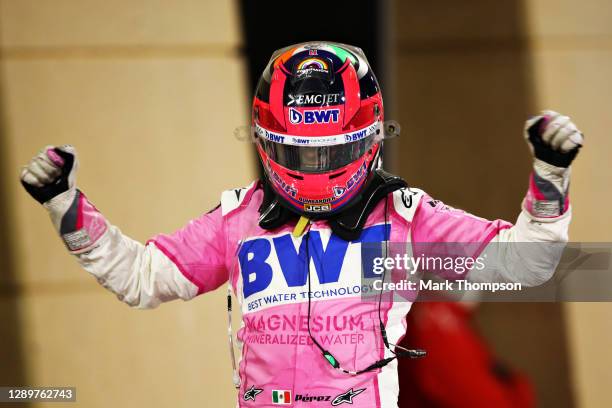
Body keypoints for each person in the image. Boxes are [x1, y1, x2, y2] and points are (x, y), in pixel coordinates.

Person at [20, 42, 583, 407]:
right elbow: (140, 277)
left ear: (370, 138)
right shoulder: (238, 217)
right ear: (267, 142)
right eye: (299, 155)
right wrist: (62, 201)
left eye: (331, 154)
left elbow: (526, 263)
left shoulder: (405, 217)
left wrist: (550, 176)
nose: (315, 172)